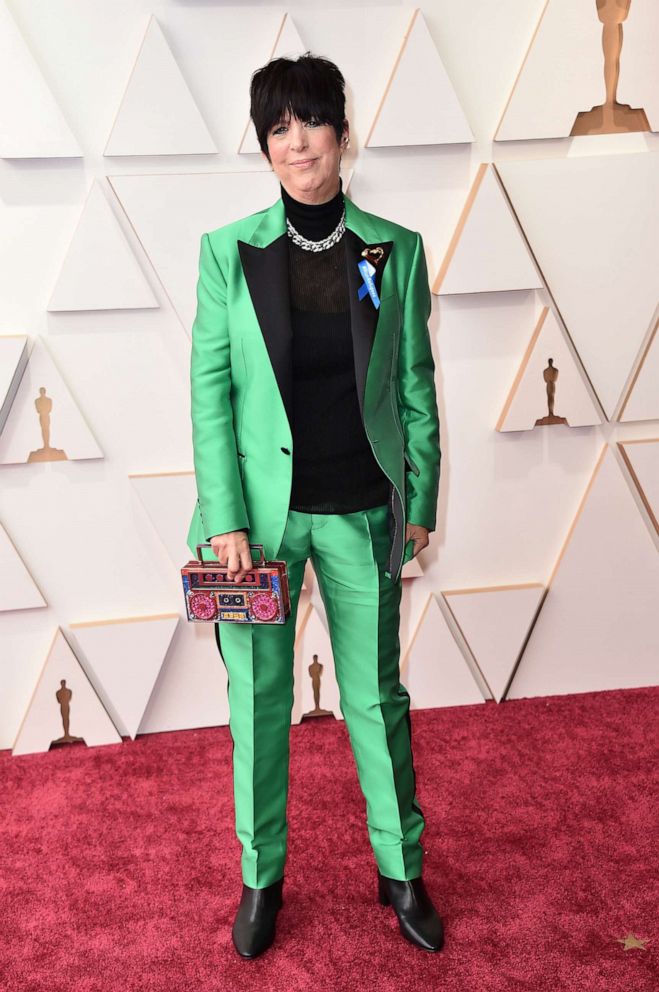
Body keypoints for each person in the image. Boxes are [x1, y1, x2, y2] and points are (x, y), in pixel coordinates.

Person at [186, 52, 442, 959]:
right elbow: (210, 391)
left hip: (365, 508)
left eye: (311, 122)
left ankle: (401, 868)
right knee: (258, 701)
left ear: (342, 130)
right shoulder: (232, 253)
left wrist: (420, 495)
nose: (298, 143)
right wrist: (222, 516)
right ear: (265, 147)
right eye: (278, 129)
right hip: (255, 527)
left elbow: (413, 383)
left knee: (376, 696)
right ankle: (262, 879)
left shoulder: (386, 252)